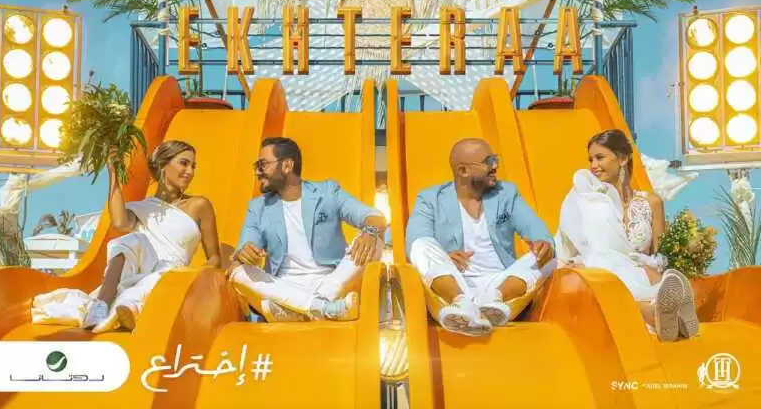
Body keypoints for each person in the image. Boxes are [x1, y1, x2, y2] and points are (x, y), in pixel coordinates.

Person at [33, 140, 222, 332]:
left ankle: (129, 308)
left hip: (171, 277)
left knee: (160, 272)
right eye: (184, 163)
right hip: (137, 272)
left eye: (193, 166)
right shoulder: (144, 208)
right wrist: (113, 172)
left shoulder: (199, 205)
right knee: (128, 241)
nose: (190, 171)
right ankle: (101, 306)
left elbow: (214, 258)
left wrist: (194, 276)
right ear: (163, 164)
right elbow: (119, 223)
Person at [556, 129, 698, 342]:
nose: (593, 165)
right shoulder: (585, 201)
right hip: (601, 277)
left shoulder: (651, 203)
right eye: (591, 159)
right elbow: (570, 242)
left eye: (600, 157)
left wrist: (651, 266)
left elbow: (661, 255)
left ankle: (663, 311)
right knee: (601, 260)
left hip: (640, 276)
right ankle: (654, 313)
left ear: (622, 159)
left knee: (649, 277)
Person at [405, 138, 556, 337]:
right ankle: (461, 302)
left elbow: (534, 227)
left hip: (501, 283)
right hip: (453, 281)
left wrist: (542, 242)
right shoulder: (430, 199)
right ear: (463, 171)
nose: (495, 166)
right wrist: (445, 258)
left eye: (495, 159)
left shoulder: (506, 194)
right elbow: (415, 240)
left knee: (552, 253)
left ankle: (492, 302)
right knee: (421, 246)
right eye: (488, 161)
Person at [228, 137, 387, 322]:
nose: (257, 172)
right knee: (237, 272)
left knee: (375, 240)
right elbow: (243, 253)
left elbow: (375, 217)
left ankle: (302, 309)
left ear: (287, 166)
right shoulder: (258, 207)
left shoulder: (327, 192)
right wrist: (247, 254)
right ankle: (323, 308)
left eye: (263, 165)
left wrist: (370, 232)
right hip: (283, 287)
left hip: (332, 281)